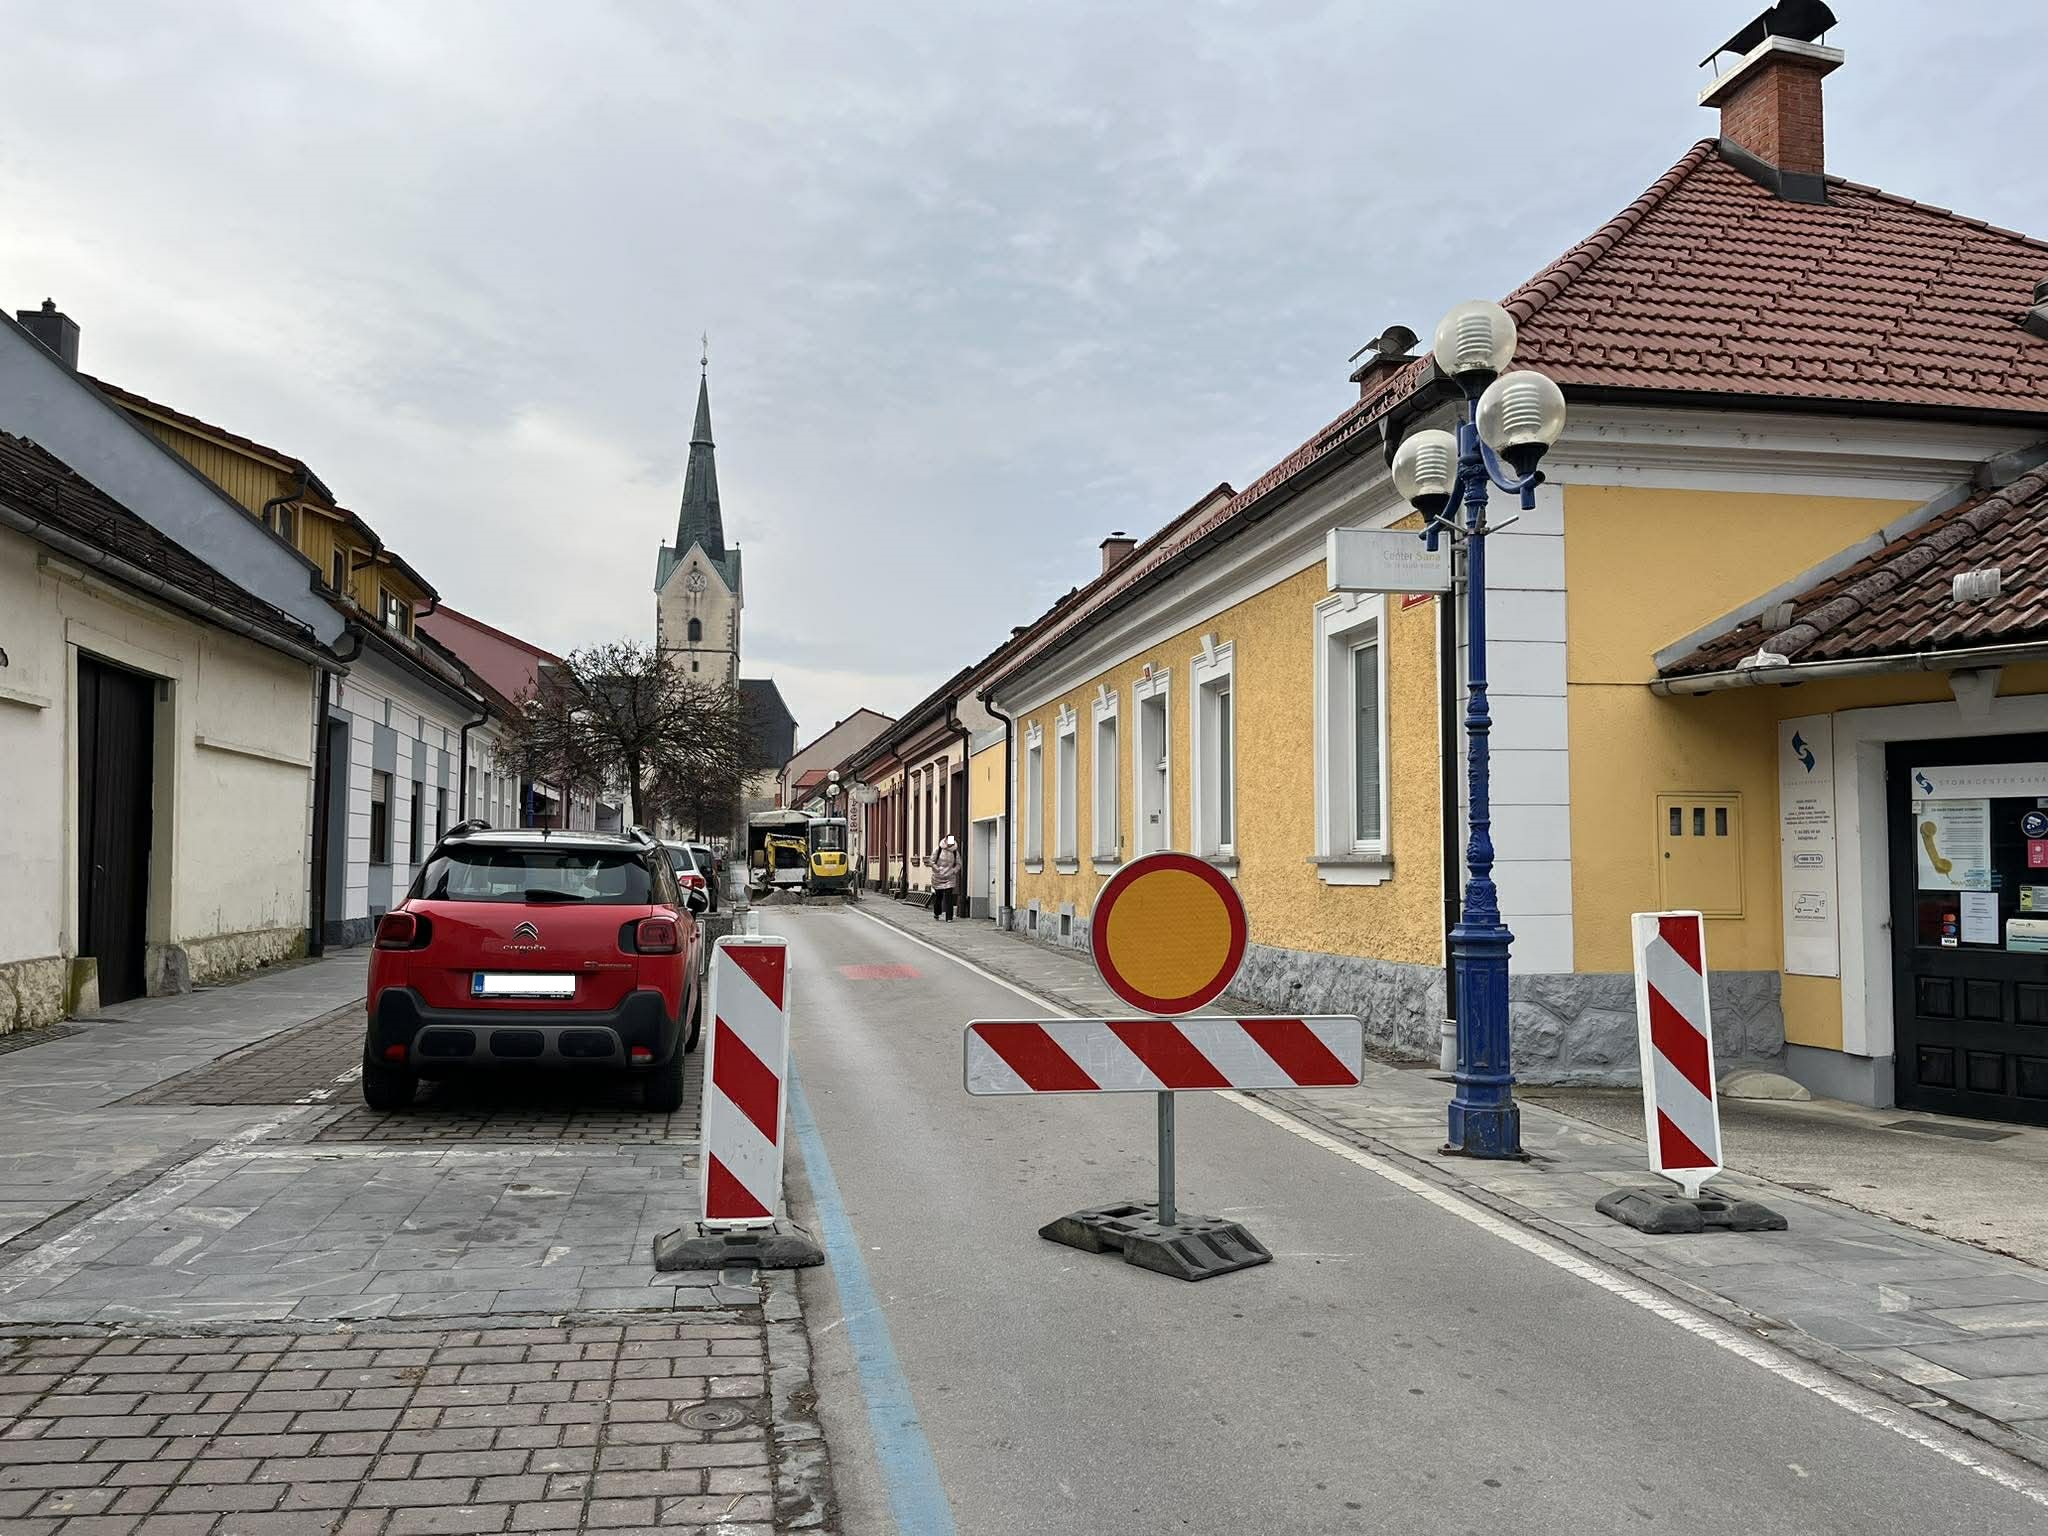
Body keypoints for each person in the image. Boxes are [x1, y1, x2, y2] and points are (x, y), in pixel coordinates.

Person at [931, 835, 961, 921]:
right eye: (948, 841)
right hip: (938, 877)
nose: (949, 843)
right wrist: (937, 869)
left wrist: (954, 870)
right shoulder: (938, 849)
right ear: (945, 840)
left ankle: (949, 917)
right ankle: (937, 913)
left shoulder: (955, 851)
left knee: (949, 897)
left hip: (949, 877)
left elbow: (959, 863)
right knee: (938, 897)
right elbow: (931, 861)